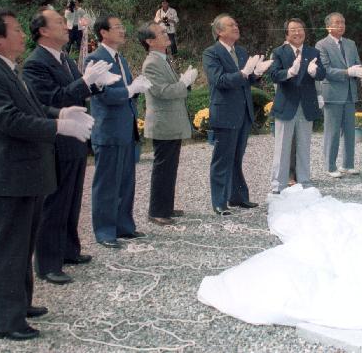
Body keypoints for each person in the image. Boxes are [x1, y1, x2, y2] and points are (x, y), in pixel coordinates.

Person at [0, 8, 93, 341]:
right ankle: (6, 320)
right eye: (16, 30)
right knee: (8, 248)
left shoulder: (8, 69)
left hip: (24, 174)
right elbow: (9, 120)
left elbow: (32, 109)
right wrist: (58, 125)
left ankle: (20, 303)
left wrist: (59, 111)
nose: (24, 35)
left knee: (22, 245)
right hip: (8, 176)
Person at [23, 9, 118, 285]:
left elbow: (77, 90)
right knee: (54, 202)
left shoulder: (64, 58)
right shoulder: (35, 63)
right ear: (42, 31)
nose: (67, 27)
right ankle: (48, 263)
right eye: (59, 23)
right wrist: (85, 82)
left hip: (75, 136)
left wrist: (97, 85)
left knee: (72, 198)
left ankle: (68, 249)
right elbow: (51, 100)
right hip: (57, 138)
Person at [85, 15, 152, 248]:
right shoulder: (95, 59)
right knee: (106, 184)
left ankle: (124, 226)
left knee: (126, 181)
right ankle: (105, 231)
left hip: (126, 127)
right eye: (118, 27)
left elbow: (127, 92)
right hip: (108, 129)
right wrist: (131, 89)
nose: (123, 30)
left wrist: (136, 88)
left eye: (123, 26)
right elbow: (102, 96)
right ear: (103, 32)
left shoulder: (120, 58)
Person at [202, 14, 271, 215]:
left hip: (243, 112)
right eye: (231, 25)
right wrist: (243, 73)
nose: (236, 27)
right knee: (222, 158)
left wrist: (256, 73)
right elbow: (219, 80)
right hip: (225, 112)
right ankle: (219, 201)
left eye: (236, 24)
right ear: (219, 31)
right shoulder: (211, 53)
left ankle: (238, 197)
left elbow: (247, 81)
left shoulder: (240, 51)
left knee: (236, 157)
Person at [138, 22, 197, 225]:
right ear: (149, 41)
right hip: (163, 122)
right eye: (161, 33)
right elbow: (162, 92)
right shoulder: (151, 63)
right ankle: (157, 211)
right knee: (163, 167)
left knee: (170, 167)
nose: (166, 34)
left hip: (170, 121)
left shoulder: (162, 59)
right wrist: (184, 83)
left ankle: (166, 207)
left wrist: (182, 83)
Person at [269, 19, 326, 193]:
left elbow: (322, 73)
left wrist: (315, 71)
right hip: (287, 105)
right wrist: (289, 72)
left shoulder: (313, 51)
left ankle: (305, 181)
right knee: (282, 147)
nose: (297, 33)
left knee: (304, 145)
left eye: (300, 29)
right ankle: (278, 185)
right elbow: (273, 75)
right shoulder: (279, 52)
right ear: (287, 34)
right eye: (293, 30)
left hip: (306, 105)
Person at [315, 12, 362, 177]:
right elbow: (325, 70)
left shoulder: (351, 43)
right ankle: (330, 166)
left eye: (343, 22)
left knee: (350, 130)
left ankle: (348, 164)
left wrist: (361, 70)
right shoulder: (321, 45)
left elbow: (357, 62)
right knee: (333, 131)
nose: (341, 25)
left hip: (350, 92)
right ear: (328, 26)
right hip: (332, 92)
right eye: (337, 22)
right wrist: (348, 71)